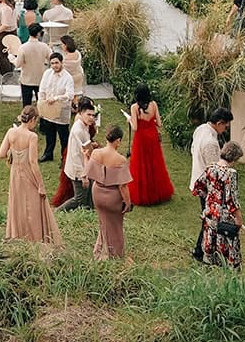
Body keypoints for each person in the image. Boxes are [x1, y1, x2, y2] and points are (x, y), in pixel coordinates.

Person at [0, 106, 58, 246]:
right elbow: (33, 162)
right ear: (32, 119)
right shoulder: (32, 136)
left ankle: (17, 235)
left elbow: (1, 154)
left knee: (17, 204)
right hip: (28, 175)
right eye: (35, 121)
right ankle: (34, 238)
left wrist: (12, 153)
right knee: (32, 207)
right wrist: (41, 184)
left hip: (15, 175)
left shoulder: (11, 132)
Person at [189, 107, 231, 259]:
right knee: (209, 220)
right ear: (219, 123)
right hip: (206, 186)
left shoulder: (201, 129)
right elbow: (214, 172)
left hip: (198, 178)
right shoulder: (211, 143)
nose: (225, 129)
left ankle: (204, 250)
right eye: (225, 126)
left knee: (208, 219)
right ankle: (200, 251)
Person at [88, 124, 133, 259]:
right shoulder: (120, 160)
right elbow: (122, 186)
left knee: (103, 222)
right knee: (115, 225)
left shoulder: (96, 153)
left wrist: (86, 156)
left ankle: (101, 249)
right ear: (118, 140)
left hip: (97, 192)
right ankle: (114, 254)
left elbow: (89, 172)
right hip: (112, 196)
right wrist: (128, 201)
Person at [199, 140, 245, 269]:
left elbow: (199, 187)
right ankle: (230, 270)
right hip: (224, 217)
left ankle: (211, 266)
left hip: (210, 214)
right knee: (229, 245)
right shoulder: (230, 174)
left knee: (210, 243)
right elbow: (232, 199)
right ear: (234, 158)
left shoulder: (210, 168)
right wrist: (239, 218)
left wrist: (211, 200)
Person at [127, 85, 174, 206]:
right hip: (152, 135)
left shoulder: (135, 107)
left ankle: (144, 193)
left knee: (141, 164)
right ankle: (157, 192)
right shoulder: (153, 104)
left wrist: (130, 121)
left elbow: (135, 128)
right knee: (155, 163)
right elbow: (159, 123)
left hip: (141, 138)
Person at [56, 95, 98, 210]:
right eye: (88, 115)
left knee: (88, 194)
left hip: (85, 166)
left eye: (93, 115)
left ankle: (89, 212)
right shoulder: (78, 130)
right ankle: (57, 212)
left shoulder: (84, 126)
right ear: (81, 113)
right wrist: (82, 175)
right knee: (79, 198)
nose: (91, 118)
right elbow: (75, 156)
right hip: (78, 169)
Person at [37, 52, 74, 163]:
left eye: (56, 63)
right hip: (49, 110)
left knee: (64, 138)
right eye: (52, 63)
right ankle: (48, 154)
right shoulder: (47, 73)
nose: (54, 66)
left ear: (61, 62)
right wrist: (41, 103)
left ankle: (65, 159)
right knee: (49, 135)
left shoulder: (68, 78)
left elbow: (70, 95)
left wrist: (56, 98)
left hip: (62, 112)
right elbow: (42, 89)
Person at [17, 25, 49, 113]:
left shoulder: (23, 47)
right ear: (39, 34)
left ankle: (26, 120)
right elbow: (51, 58)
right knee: (41, 103)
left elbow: (18, 64)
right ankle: (42, 119)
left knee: (26, 104)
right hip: (40, 79)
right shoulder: (44, 47)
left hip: (27, 79)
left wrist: (11, 58)